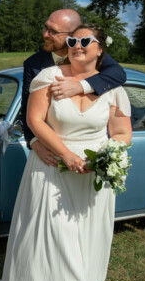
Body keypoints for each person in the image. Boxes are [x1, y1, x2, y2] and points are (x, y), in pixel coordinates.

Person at [0, 24, 133, 281]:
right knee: (59, 233)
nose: (77, 45)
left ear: (100, 49)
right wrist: (65, 155)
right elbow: (34, 120)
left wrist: (108, 155)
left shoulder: (113, 88)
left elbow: (123, 133)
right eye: (73, 40)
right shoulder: (49, 77)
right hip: (51, 166)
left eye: (86, 41)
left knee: (83, 234)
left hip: (91, 174)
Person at [21, 9, 126, 167]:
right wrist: (34, 142)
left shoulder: (91, 54)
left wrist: (81, 86)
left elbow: (119, 74)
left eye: (53, 31)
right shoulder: (34, 64)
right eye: (46, 28)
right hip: (51, 156)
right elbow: (27, 107)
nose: (45, 35)